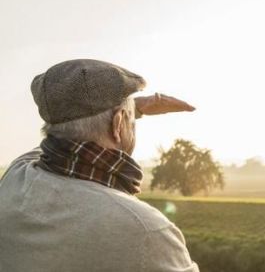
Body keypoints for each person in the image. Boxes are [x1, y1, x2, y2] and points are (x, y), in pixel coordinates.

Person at [0, 59, 200, 272]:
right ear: (118, 125)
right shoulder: (147, 232)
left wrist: (131, 111)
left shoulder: (15, 178)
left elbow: (55, 142)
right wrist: (133, 110)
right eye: (129, 119)